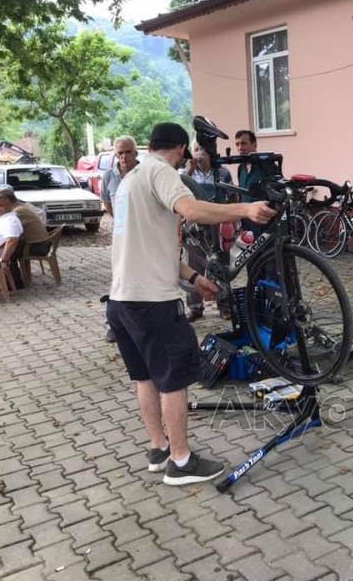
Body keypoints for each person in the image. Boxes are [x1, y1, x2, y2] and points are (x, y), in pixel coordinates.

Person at [106, 122, 276, 486]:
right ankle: (181, 463)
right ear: (182, 149)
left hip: (122, 301)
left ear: (149, 144)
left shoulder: (130, 181)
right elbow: (192, 209)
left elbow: (150, 245)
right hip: (153, 303)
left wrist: (195, 278)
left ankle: (159, 450)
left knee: (146, 377)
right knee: (173, 381)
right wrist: (245, 208)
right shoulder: (161, 172)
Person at [183, 141, 234, 322]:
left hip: (218, 223)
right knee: (195, 263)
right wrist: (189, 170)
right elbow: (179, 190)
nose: (199, 153)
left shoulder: (222, 172)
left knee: (222, 264)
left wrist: (231, 218)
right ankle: (195, 307)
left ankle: (225, 305)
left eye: (202, 149)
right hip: (195, 224)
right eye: (196, 149)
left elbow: (232, 196)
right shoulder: (188, 173)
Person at [101, 136, 140, 341]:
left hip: (144, 235)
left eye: (127, 152)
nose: (124, 157)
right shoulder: (109, 176)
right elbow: (107, 204)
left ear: (135, 152)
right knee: (119, 278)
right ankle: (113, 325)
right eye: (120, 153)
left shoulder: (144, 173)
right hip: (121, 236)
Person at [235, 130, 264, 237]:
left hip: (263, 224)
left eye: (243, 143)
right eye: (237, 144)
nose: (240, 148)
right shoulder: (240, 168)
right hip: (246, 223)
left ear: (254, 144)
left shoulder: (267, 166)